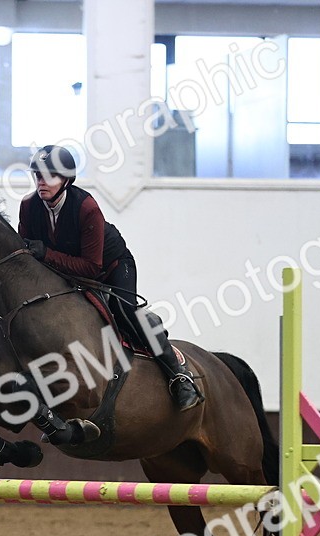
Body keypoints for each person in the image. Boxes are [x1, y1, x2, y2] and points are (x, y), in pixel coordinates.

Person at [17, 145, 202, 411]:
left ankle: (178, 376)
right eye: (38, 176)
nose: (42, 183)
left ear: (66, 180)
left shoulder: (86, 207)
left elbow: (91, 267)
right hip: (66, 273)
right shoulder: (29, 206)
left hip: (111, 266)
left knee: (124, 310)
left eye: (50, 176)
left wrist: (45, 253)